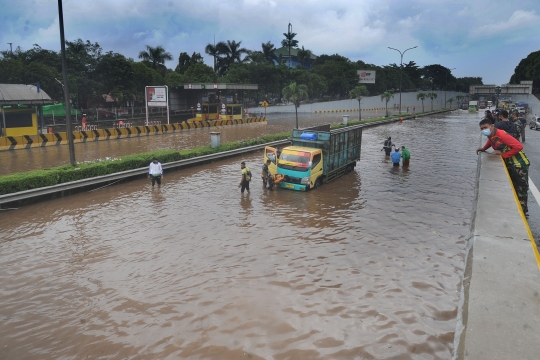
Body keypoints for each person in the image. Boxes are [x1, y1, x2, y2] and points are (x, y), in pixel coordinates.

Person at [476, 118, 530, 215]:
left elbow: (519, 146)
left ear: (492, 126)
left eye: (485, 127)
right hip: (511, 163)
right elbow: (491, 141)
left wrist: (503, 154)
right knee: (513, 186)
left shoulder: (502, 135)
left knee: (521, 189)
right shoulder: (492, 135)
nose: (484, 130)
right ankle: (518, 209)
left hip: (519, 164)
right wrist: (484, 148)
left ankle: (523, 212)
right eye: (482, 128)